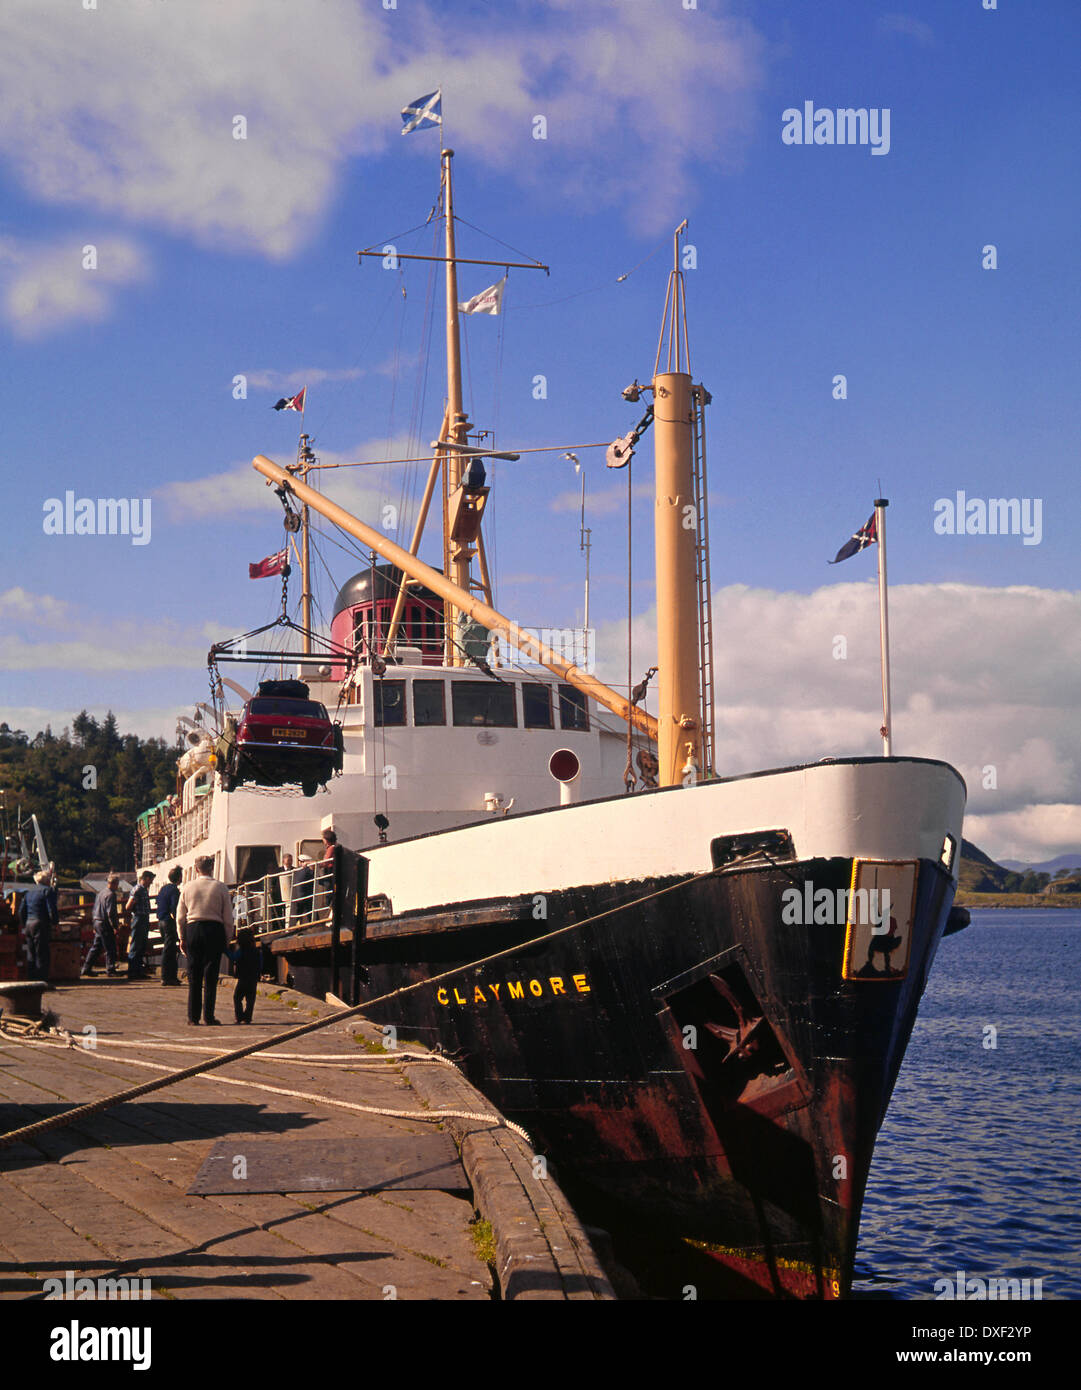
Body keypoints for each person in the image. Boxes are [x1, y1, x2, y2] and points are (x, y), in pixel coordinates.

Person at [177, 855, 234, 1025]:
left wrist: (182, 937)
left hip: (193, 928)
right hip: (214, 929)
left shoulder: (187, 887)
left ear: (196, 869)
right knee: (211, 974)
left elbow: (180, 916)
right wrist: (227, 938)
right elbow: (228, 917)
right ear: (212, 867)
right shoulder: (220, 887)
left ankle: (192, 1017)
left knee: (194, 974)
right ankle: (209, 1016)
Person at [19, 869, 58, 982]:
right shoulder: (47, 891)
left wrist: (24, 924)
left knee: (31, 953)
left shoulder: (28, 892)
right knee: (42, 953)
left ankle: (31, 978)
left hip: (29, 924)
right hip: (41, 924)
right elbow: (51, 909)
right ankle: (42, 979)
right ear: (46, 880)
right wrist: (55, 923)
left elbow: (21, 910)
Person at [83, 875, 121, 977]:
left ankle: (86, 967)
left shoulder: (100, 893)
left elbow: (95, 909)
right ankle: (110, 969)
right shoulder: (111, 895)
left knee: (97, 946)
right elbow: (111, 913)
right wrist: (115, 926)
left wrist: (94, 925)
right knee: (110, 947)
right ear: (114, 884)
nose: (118, 886)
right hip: (105, 923)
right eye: (117, 884)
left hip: (97, 921)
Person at [125, 871, 154, 979]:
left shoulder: (143, 889)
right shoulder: (138, 889)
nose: (151, 882)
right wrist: (135, 912)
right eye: (150, 880)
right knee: (136, 944)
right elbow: (128, 906)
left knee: (141, 945)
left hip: (143, 918)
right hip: (139, 918)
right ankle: (132, 971)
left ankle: (138, 971)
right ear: (146, 878)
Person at [228, 926, 260, 1024]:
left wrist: (225, 950)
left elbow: (233, 957)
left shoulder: (240, 951)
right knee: (250, 999)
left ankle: (239, 1016)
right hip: (253, 979)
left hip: (242, 978)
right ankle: (248, 1017)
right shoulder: (257, 952)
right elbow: (260, 964)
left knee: (237, 997)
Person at [156, 865, 183, 986]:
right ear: (179, 877)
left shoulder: (163, 888)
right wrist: (179, 922)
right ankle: (166, 977)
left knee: (169, 948)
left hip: (161, 921)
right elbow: (174, 908)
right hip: (168, 922)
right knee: (170, 949)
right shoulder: (174, 890)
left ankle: (171, 976)